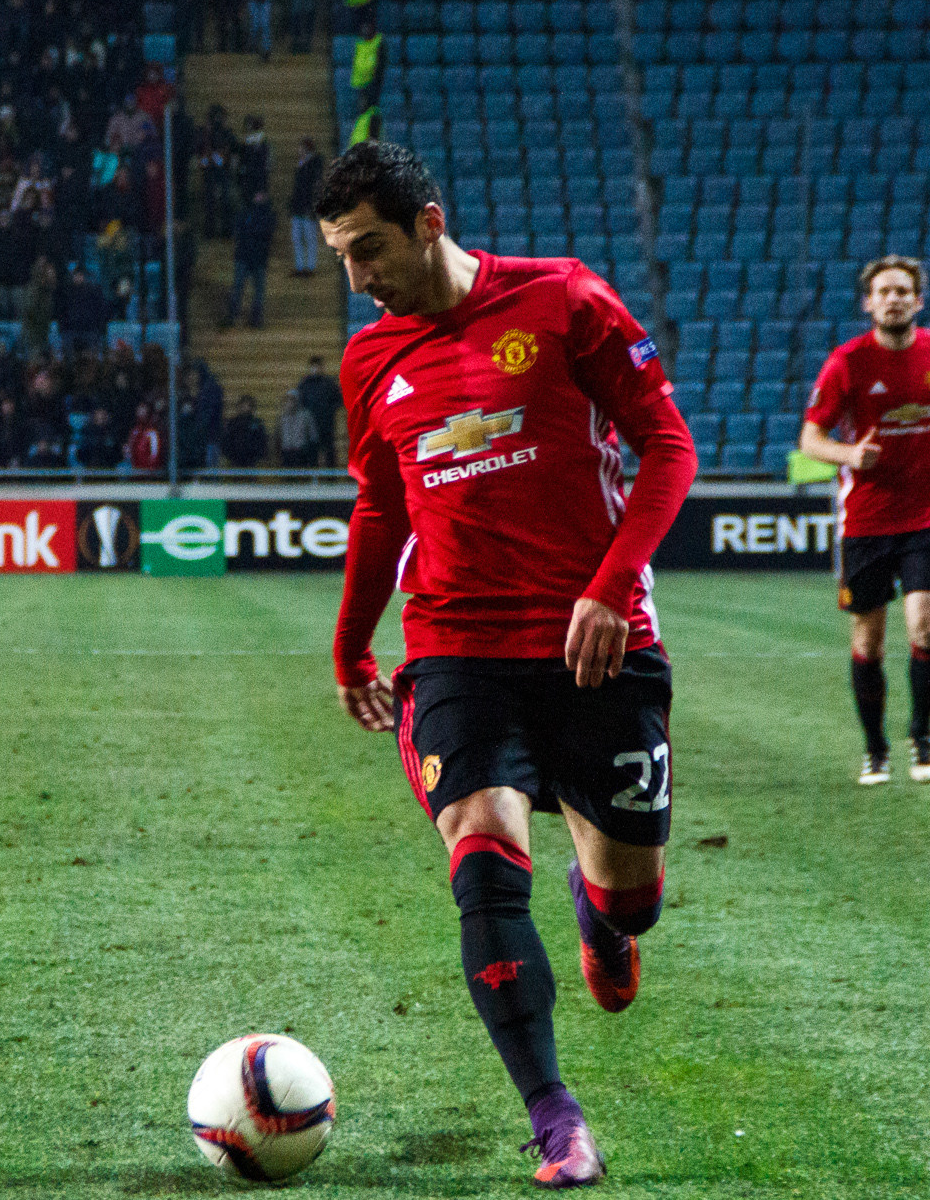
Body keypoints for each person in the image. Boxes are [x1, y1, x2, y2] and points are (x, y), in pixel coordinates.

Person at [317, 141, 698, 1189]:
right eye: (340, 257)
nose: (357, 279)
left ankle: (605, 918)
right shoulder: (371, 362)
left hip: (595, 643)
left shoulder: (564, 300)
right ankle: (553, 1116)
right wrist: (353, 639)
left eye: (369, 250)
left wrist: (611, 586)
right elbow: (380, 504)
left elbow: (667, 446)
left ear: (428, 222)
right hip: (452, 647)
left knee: (629, 896)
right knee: (480, 854)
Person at [797, 255, 930, 786]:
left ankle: (921, 734)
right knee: (868, 642)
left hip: (927, 512)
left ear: (918, 301)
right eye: (884, 291)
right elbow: (811, 438)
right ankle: (875, 749)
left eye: (903, 291)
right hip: (865, 522)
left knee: (924, 628)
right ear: (869, 302)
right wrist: (851, 455)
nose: (894, 298)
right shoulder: (847, 362)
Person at [225, 189, 274, 328]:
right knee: (240, 287)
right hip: (247, 255)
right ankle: (234, 314)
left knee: (256, 289)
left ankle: (255, 317)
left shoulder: (264, 214)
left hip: (255, 255)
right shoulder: (247, 212)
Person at [295, 355, 343, 465]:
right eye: (313, 366)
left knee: (329, 451)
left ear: (322, 367)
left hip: (327, 423)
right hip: (310, 424)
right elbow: (300, 401)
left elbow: (339, 400)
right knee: (312, 451)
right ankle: (312, 478)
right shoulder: (304, 384)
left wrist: (330, 410)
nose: (316, 369)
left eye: (318, 366)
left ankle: (331, 479)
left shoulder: (329, 384)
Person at [289, 138, 325, 276]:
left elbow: (314, 187)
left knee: (309, 238)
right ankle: (300, 266)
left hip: (307, 206)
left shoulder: (314, 164)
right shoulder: (302, 164)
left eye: (301, 148)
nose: (298, 150)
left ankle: (310, 266)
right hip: (298, 205)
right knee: (298, 237)